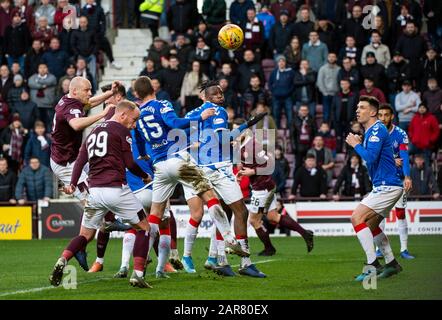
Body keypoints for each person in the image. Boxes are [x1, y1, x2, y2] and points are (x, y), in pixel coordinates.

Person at [133, 77, 250, 277]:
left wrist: (144, 153)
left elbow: (137, 136)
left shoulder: (138, 113)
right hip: (178, 160)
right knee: (210, 197)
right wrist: (201, 117)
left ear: (136, 94)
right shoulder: (162, 104)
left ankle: (140, 272)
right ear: (153, 88)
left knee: (154, 218)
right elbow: (174, 122)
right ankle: (230, 240)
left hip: (159, 166)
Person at [49, 100, 153, 289]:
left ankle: (62, 260)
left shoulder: (94, 131)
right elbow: (130, 163)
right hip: (115, 189)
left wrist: (72, 184)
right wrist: (145, 176)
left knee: (86, 235)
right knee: (145, 228)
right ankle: (138, 274)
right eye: (134, 119)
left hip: (94, 192)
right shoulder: (121, 130)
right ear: (122, 115)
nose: (134, 124)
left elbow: (80, 160)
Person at [176, 80, 267, 277]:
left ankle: (221, 261)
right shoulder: (219, 111)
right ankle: (245, 262)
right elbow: (223, 140)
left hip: (199, 168)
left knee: (222, 211)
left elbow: (179, 136)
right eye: (217, 94)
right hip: (219, 168)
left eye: (221, 94)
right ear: (207, 97)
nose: (221, 97)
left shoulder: (192, 114)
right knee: (240, 212)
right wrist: (246, 125)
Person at [345, 96, 406, 281]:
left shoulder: (376, 129)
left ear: (372, 112)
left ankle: (372, 265)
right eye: (357, 107)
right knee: (371, 225)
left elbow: (370, 158)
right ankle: (392, 264)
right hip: (386, 185)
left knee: (356, 218)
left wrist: (356, 145)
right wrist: (360, 142)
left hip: (387, 186)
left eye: (362, 107)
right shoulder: (373, 130)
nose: (357, 110)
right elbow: (377, 156)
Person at [235, 119, 314, 257]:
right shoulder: (244, 145)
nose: (235, 133)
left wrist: (251, 172)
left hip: (262, 188)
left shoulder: (253, 145)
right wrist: (242, 172)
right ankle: (305, 233)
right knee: (273, 216)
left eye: (238, 130)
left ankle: (269, 248)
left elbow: (269, 164)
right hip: (266, 186)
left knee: (254, 220)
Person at [377, 103, 415, 259]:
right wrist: (392, 160)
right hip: (381, 180)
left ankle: (404, 249)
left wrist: (407, 176)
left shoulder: (400, 133)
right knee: (380, 216)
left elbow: (404, 156)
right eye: (380, 115)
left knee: (400, 214)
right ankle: (380, 249)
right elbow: (373, 157)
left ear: (392, 116)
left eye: (386, 115)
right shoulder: (375, 133)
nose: (383, 118)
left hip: (398, 180)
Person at [27, 63, 57, 131]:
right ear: (38, 69)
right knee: (37, 123)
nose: (42, 69)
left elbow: (50, 81)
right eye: (40, 68)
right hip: (36, 105)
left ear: (47, 69)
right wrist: (42, 86)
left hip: (48, 105)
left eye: (44, 67)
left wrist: (37, 82)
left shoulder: (52, 77)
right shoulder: (32, 77)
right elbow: (30, 83)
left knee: (49, 123)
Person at [268, 55, 294, 128]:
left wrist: (289, 92)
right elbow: (270, 83)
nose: (281, 63)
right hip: (276, 98)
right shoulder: (274, 72)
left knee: (290, 116)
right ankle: (277, 135)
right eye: (280, 61)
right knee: (276, 116)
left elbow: (293, 84)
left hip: (287, 97)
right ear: (277, 63)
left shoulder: (290, 72)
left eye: (283, 61)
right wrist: (274, 92)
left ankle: (290, 134)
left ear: (285, 62)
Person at [316, 52, 340, 123]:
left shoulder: (339, 69)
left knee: (336, 113)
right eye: (330, 57)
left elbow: (340, 82)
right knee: (326, 113)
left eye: (333, 57)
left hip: (336, 94)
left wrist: (338, 92)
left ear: (336, 58)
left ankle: (335, 130)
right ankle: (326, 130)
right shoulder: (322, 69)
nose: (331, 58)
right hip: (326, 94)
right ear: (327, 58)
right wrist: (324, 92)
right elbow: (319, 82)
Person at [291, 104, 316, 172]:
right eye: (302, 110)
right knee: (298, 165)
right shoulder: (295, 120)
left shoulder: (312, 120)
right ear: (299, 111)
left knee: (310, 165)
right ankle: (296, 180)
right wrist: (294, 147)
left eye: (305, 110)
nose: (304, 112)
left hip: (309, 146)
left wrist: (313, 145)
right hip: (299, 146)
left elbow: (315, 133)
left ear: (308, 111)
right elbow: (292, 135)